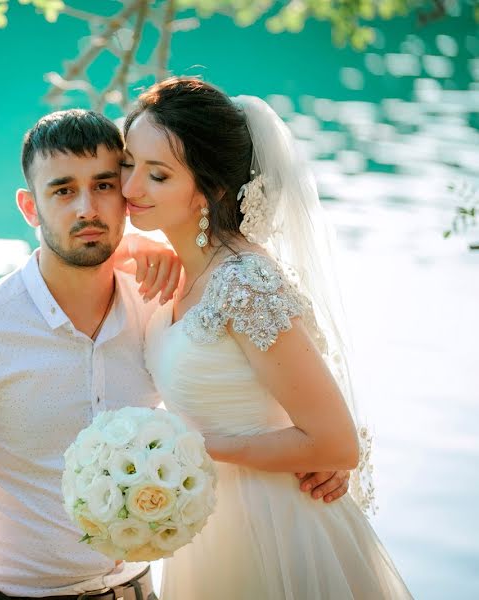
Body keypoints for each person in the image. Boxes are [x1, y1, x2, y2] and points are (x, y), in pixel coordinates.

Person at [0, 109, 350, 600]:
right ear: (29, 207)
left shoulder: (162, 306)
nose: (87, 209)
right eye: (62, 190)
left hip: (141, 590)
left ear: (126, 194)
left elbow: (239, 381)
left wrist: (310, 450)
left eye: (104, 186)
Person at [123, 76, 411, 599]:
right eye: (128, 165)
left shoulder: (244, 282)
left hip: (274, 527)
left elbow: (335, 442)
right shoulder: (174, 270)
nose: (130, 188)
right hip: (206, 525)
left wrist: (185, 449)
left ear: (210, 188)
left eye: (157, 175)